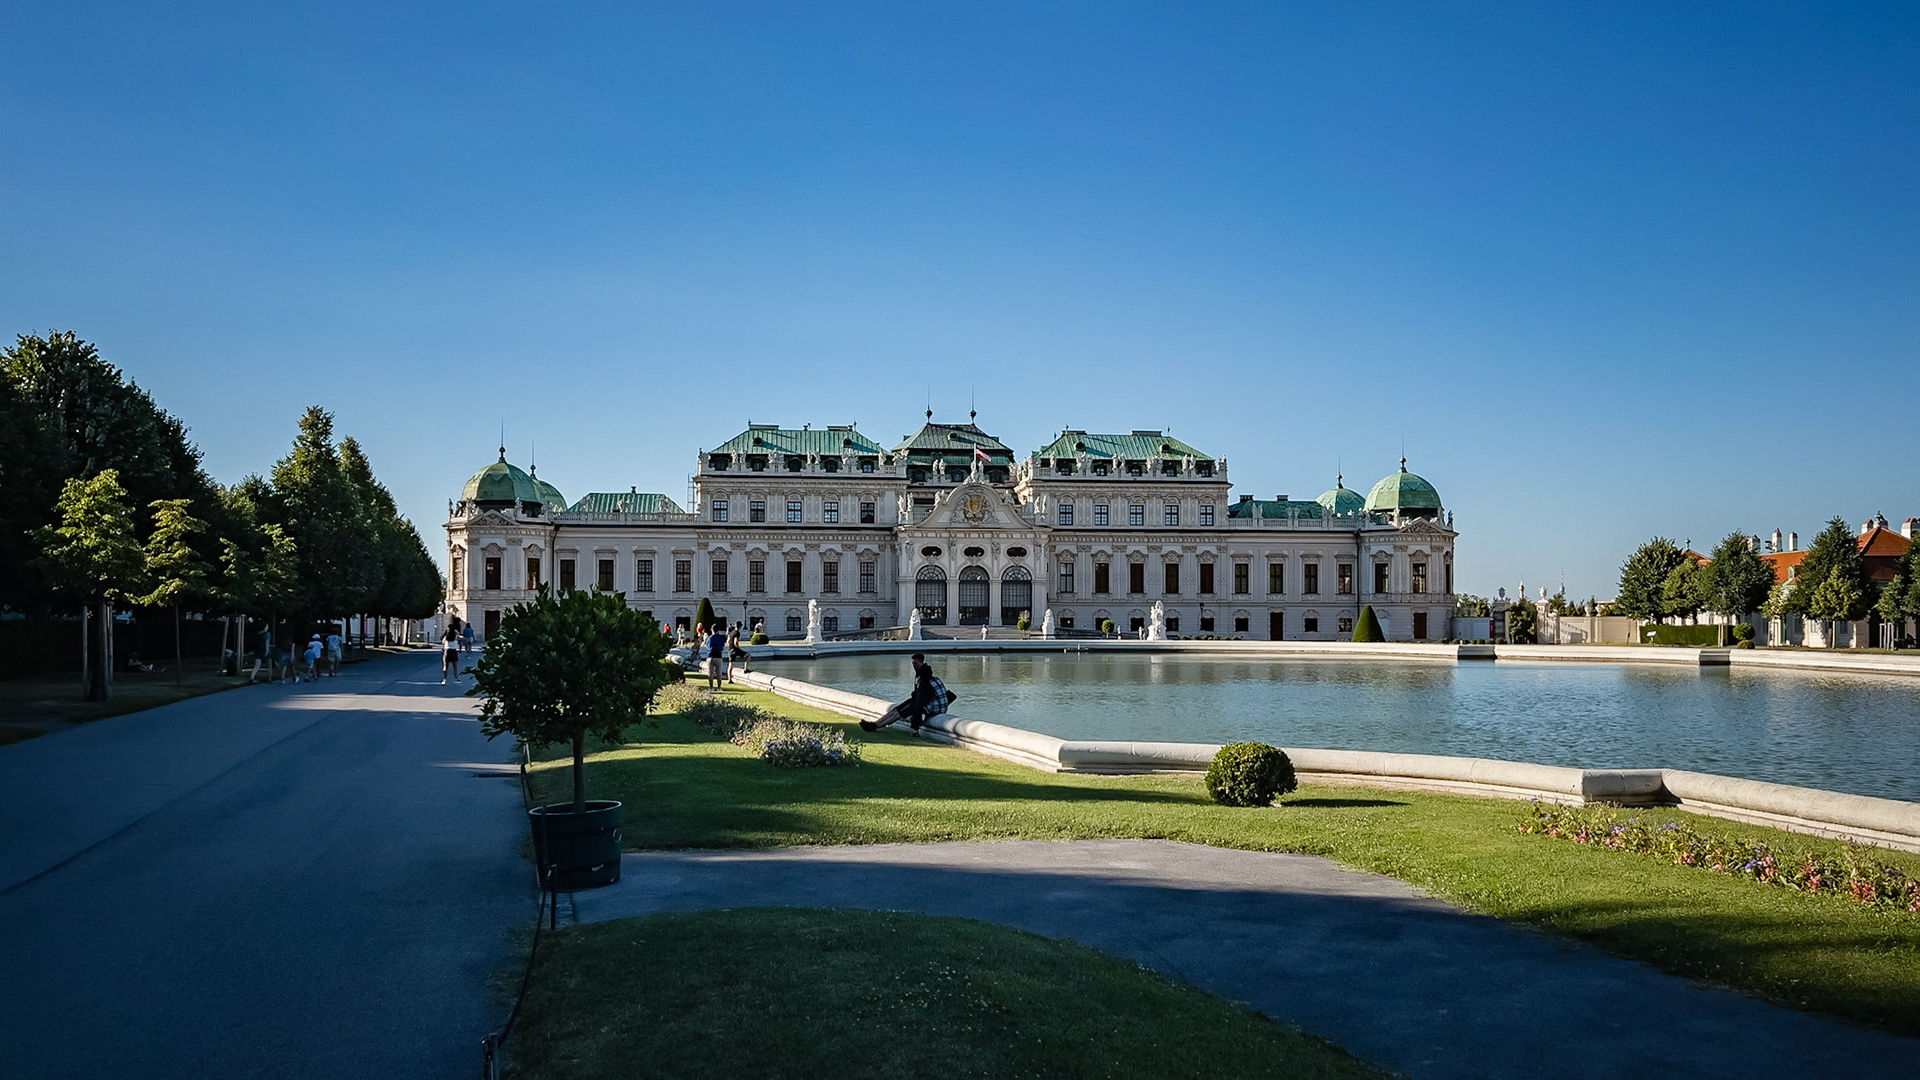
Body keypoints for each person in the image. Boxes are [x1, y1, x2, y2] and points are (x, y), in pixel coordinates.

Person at [861, 652, 956, 735]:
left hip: (933, 707)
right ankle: (875, 724)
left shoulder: (925, 681)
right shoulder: (926, 677)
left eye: (915, 663)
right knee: (896, 710)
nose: (914, 666)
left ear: (921, 662)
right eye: (913, 663)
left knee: (899, 713)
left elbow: (921, 701)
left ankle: (876, 726)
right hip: (928, 702)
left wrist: (915, 722)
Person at [705, 624, 727, 689]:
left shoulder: (709, 638)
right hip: (718, 656)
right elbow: (723, 647)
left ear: (712, 630)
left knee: (710, 673)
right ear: (718, 630)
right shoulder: (721, 638)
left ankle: (711, 687)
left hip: (711, 656)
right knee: (719, 673)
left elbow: (708, 646)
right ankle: (719, 687)